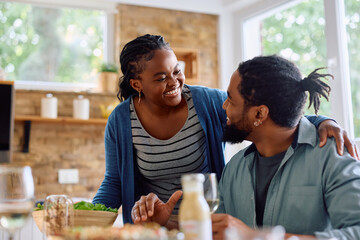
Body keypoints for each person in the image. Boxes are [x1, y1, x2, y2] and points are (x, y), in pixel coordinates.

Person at [92, 34, 358, 225]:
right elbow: (115, 181)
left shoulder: (207, 104)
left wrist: (323, 121)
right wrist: (90, 215)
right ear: (137, 84)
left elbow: (276, 107)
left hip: (208, 216)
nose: (174, 82)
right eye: (161, 78)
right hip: (165, 226)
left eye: (177, 71)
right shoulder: (121, 121)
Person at [211, 55, 360, 239]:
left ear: (260, 113)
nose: (224, 106)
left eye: (231, 100)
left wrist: (262, 237)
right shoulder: (234, 169)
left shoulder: (332, 156)